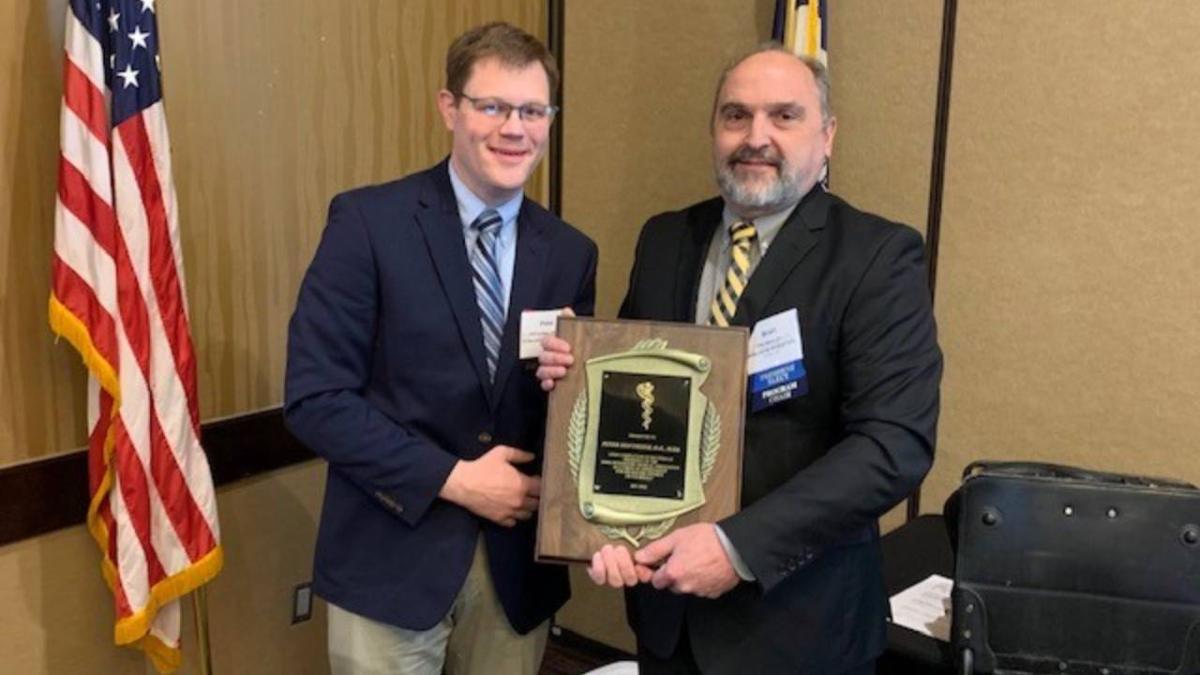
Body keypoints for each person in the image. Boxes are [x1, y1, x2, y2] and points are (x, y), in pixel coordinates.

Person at [537, 44, 941, 674]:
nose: (756, 137)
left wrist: (736, 547)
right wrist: (577, 390)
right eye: (736, 115)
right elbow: (634, 395)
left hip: (798, 631)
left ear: (828, 135)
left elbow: (894, 445)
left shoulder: (876, 257)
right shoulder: (665, 238)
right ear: (714, 130)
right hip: (666, 618)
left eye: (784, 116)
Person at [285, 22, 597, 675]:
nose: (514, 129)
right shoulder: (368, 223)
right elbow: (317, 400)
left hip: (515, 577)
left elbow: (564, 420)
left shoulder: (570, 252)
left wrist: (577, 382)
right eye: (492, 106)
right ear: (449, 108)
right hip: (391, 563)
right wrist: (457, 479)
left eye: (533, 111)